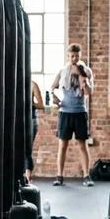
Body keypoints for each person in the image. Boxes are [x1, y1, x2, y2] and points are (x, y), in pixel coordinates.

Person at [51, 43, 94, 186]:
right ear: (68, 56)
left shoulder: (86, 71)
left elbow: (89, 92)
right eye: (72, 56)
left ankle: (86, 176)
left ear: (80, 56)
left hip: (80, 112)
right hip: (65, 112)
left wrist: (81, 75)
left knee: (82, 145)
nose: (75, 58)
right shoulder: (63, 71)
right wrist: (55, 98)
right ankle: (59, 176)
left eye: (77, 56)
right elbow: (53, 87)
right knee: (62, 145)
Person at [26, 80, 44, 183]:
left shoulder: (32, 85)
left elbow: (41, 105)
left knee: (27, 151)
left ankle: (27, 179)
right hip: (17, 120)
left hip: (30, 120)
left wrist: (27, 103)